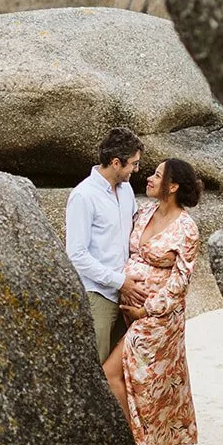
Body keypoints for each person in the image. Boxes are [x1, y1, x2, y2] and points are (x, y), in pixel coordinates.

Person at [103, 158, 201, 445]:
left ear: (172, 187)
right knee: (168, 377)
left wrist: (145, 309)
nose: (149, 178)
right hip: (132, 306)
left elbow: (180, 282)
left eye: (157, 175)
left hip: (159, 317)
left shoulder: (187, 228)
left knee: (118, 374)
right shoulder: (144, 212)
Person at [65, 127, 143, 363]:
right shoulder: (83, 196)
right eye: (133, 164)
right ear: (116, 163)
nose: (136, 170)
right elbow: (76, 254)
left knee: (122, 369)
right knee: (97, 364)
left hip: (127, 295)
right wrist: (119, 282)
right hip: (99, 295)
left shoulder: (127, 190)